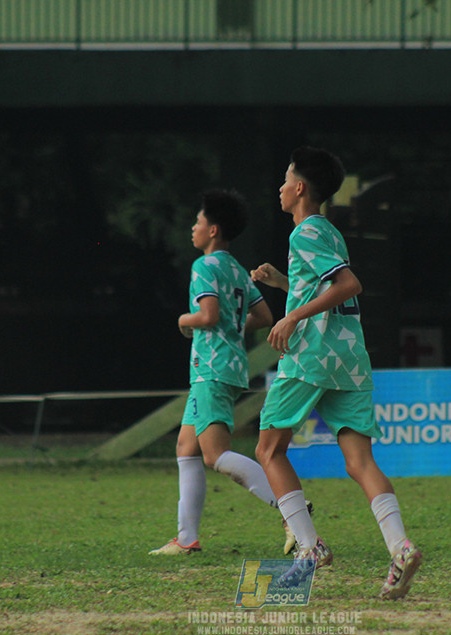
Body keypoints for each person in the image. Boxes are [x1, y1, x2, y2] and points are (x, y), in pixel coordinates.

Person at [251, 147, 422, 600]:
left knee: (269, 450)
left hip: (310, 355)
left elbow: (349, 286)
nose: (281, 187)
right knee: (359, 462)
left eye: (286, 180)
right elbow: (328, 290)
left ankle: (309, 548)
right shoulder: (328, 231)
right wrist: (284, 287)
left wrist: (288, 319)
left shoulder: (303, 233)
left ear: (301, 188)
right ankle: (400, 547)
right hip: (349, 356)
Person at [150, 189, 303, 555]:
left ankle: (293, 513)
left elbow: (208, 316)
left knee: (214, 455)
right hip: (230, 365)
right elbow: (265, 317)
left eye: (198, 222)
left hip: (211, 369)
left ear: (213, 229)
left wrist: (183, 320)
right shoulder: (236, 268)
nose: (193, 228)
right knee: (186, 449)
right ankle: (186, 539)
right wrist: (233, 329)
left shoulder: (204, 266)